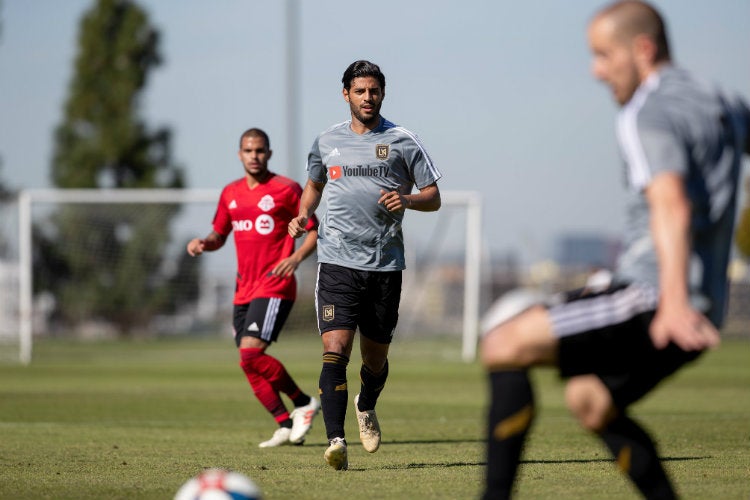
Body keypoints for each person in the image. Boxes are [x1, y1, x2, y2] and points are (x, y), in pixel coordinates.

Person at [480, 1, 749, 498]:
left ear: (642, 50)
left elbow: (670, 205)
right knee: (590, 400)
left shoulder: (647, 111)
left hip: (655, 296)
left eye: (603, 56)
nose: (596, 70)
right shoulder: (723, 103)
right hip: (705, 304)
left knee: (502, 343)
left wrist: (671, 300)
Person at [288, 60, 443, 470]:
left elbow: (433, 195)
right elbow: (314, 186)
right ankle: (336, 440)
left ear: (382, 94)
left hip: (385, 265)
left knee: (374, 361)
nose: (367, 98)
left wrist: (407, 199)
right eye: (360, 91)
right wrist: (304, 214)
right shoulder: (326, 141)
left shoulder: (403, 140)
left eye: (374, 91)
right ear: (346, 95)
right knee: (334, 349)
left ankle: (366, 402)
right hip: (337, 262)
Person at [187, 128, 321, 448]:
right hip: (242, 289)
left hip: (274, 284)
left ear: (269, 154)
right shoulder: (230, 193)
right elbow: (219, 235)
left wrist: (297, 257)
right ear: (239, 154)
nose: (254, 156)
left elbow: (315, 231)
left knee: (250, 354)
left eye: (260, 150)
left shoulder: (287, 189)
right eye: (248, 151)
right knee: (248, 363)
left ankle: (303, 402)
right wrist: (204, 243)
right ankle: (284, 424)